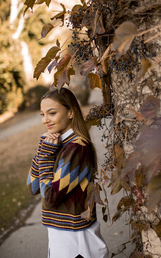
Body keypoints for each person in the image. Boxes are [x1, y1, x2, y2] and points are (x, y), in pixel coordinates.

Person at [27, 87, 109, 258]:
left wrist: (47, 155)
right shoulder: (56, 143)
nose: (45, 120)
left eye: (52, 113)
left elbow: (49, 197)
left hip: (75, 237)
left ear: (70, 112)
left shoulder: (76, 147)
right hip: (59, 234)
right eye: (42, 114)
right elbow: (33, 186)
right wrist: (44, 149)